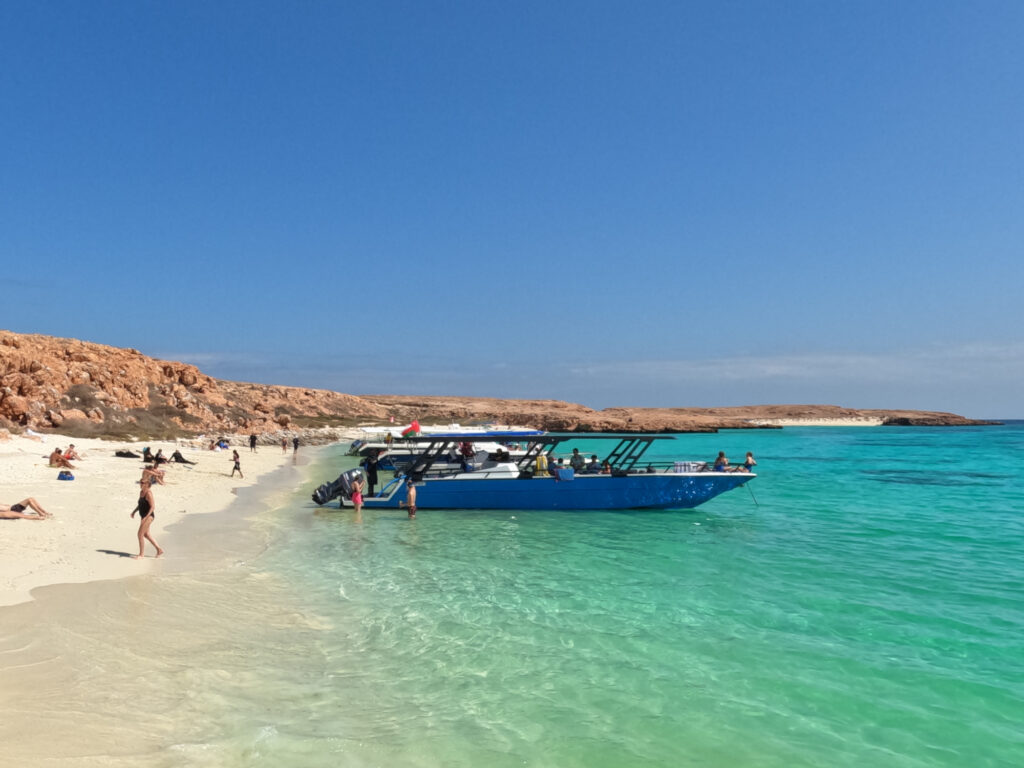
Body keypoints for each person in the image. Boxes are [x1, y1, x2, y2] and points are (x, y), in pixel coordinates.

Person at [131, 479, 163, 559]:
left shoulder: (148, 493)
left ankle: (141, 555)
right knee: (146, 534)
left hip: (149, 517)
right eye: (140, 482)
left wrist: (146, 517)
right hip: (143, 516)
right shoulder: (141, 492)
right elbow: (140, 504)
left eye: (142, 483)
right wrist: (134, 511)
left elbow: (152, 507)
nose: (140, 484)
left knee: (140, 534)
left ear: (147, 484)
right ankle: (159, 549)